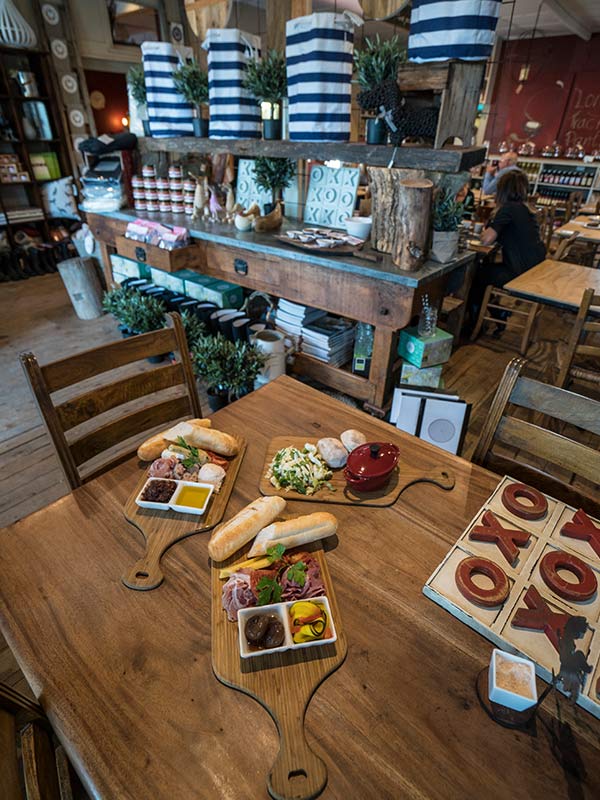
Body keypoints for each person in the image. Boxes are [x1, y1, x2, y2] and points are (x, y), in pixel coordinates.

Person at [469, 170, 546, 329]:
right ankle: (496, 312)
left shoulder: (508, 209)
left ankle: (476, 322)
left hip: (519, 274)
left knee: (475, 274)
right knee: (484, 273)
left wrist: (483, 232)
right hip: (534, 271)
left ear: (502, 190)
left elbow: (487, 239)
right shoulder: (525, 210)